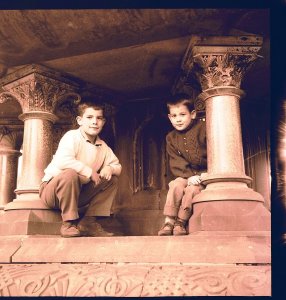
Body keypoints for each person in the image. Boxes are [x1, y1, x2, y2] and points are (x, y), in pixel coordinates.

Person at [39, 100, 122, 238]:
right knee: (70, 174)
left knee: (111, 180)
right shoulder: (72, 136)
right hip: (52, 192)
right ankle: (69, 223)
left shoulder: (102, 146)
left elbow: (118, 166)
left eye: (99, 118)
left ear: (103, 121)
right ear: (80, 120)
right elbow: (63, 161)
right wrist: (89, 172)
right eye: (89, 117)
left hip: (78, 193)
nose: (94, 122)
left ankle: (89, 221)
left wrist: (109, 168)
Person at [158, 94, 207, 236]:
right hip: (186, 174)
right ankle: (169, 221)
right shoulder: (171, 137)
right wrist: (190, 176)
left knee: (192, 190)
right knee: (176, 184)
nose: (178, 119)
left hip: (206, 174)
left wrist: (205, 174)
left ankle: (181, 221)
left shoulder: (204, 128)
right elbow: (176, 161)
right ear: (169, 117)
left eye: (182, 114)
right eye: (174, 116)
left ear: (192, 114)